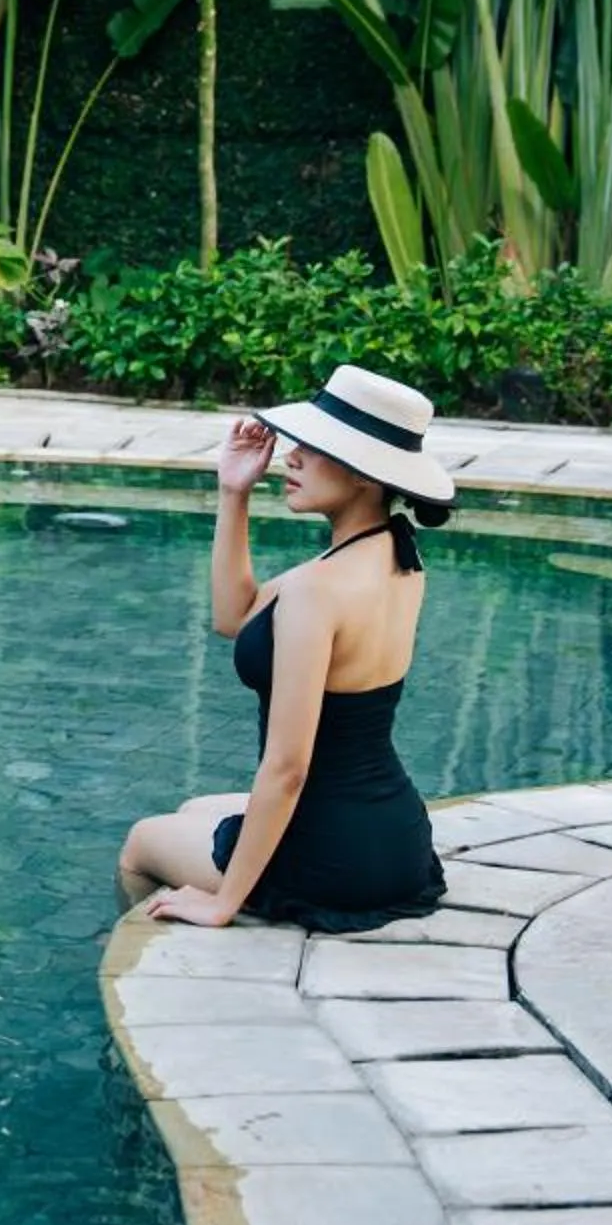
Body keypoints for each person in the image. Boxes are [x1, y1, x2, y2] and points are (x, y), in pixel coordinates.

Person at [117, 364, 455, 931]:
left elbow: (288, 768)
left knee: (141, 842)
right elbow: (233, 617)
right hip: (396, 838)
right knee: (193, 811)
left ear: (366, 474)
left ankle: (161, 970)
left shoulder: (315, 592)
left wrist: (223, 904)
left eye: (315, 447)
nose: (290, 457)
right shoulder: (393, 554)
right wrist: (234, 492)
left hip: (332, 855)